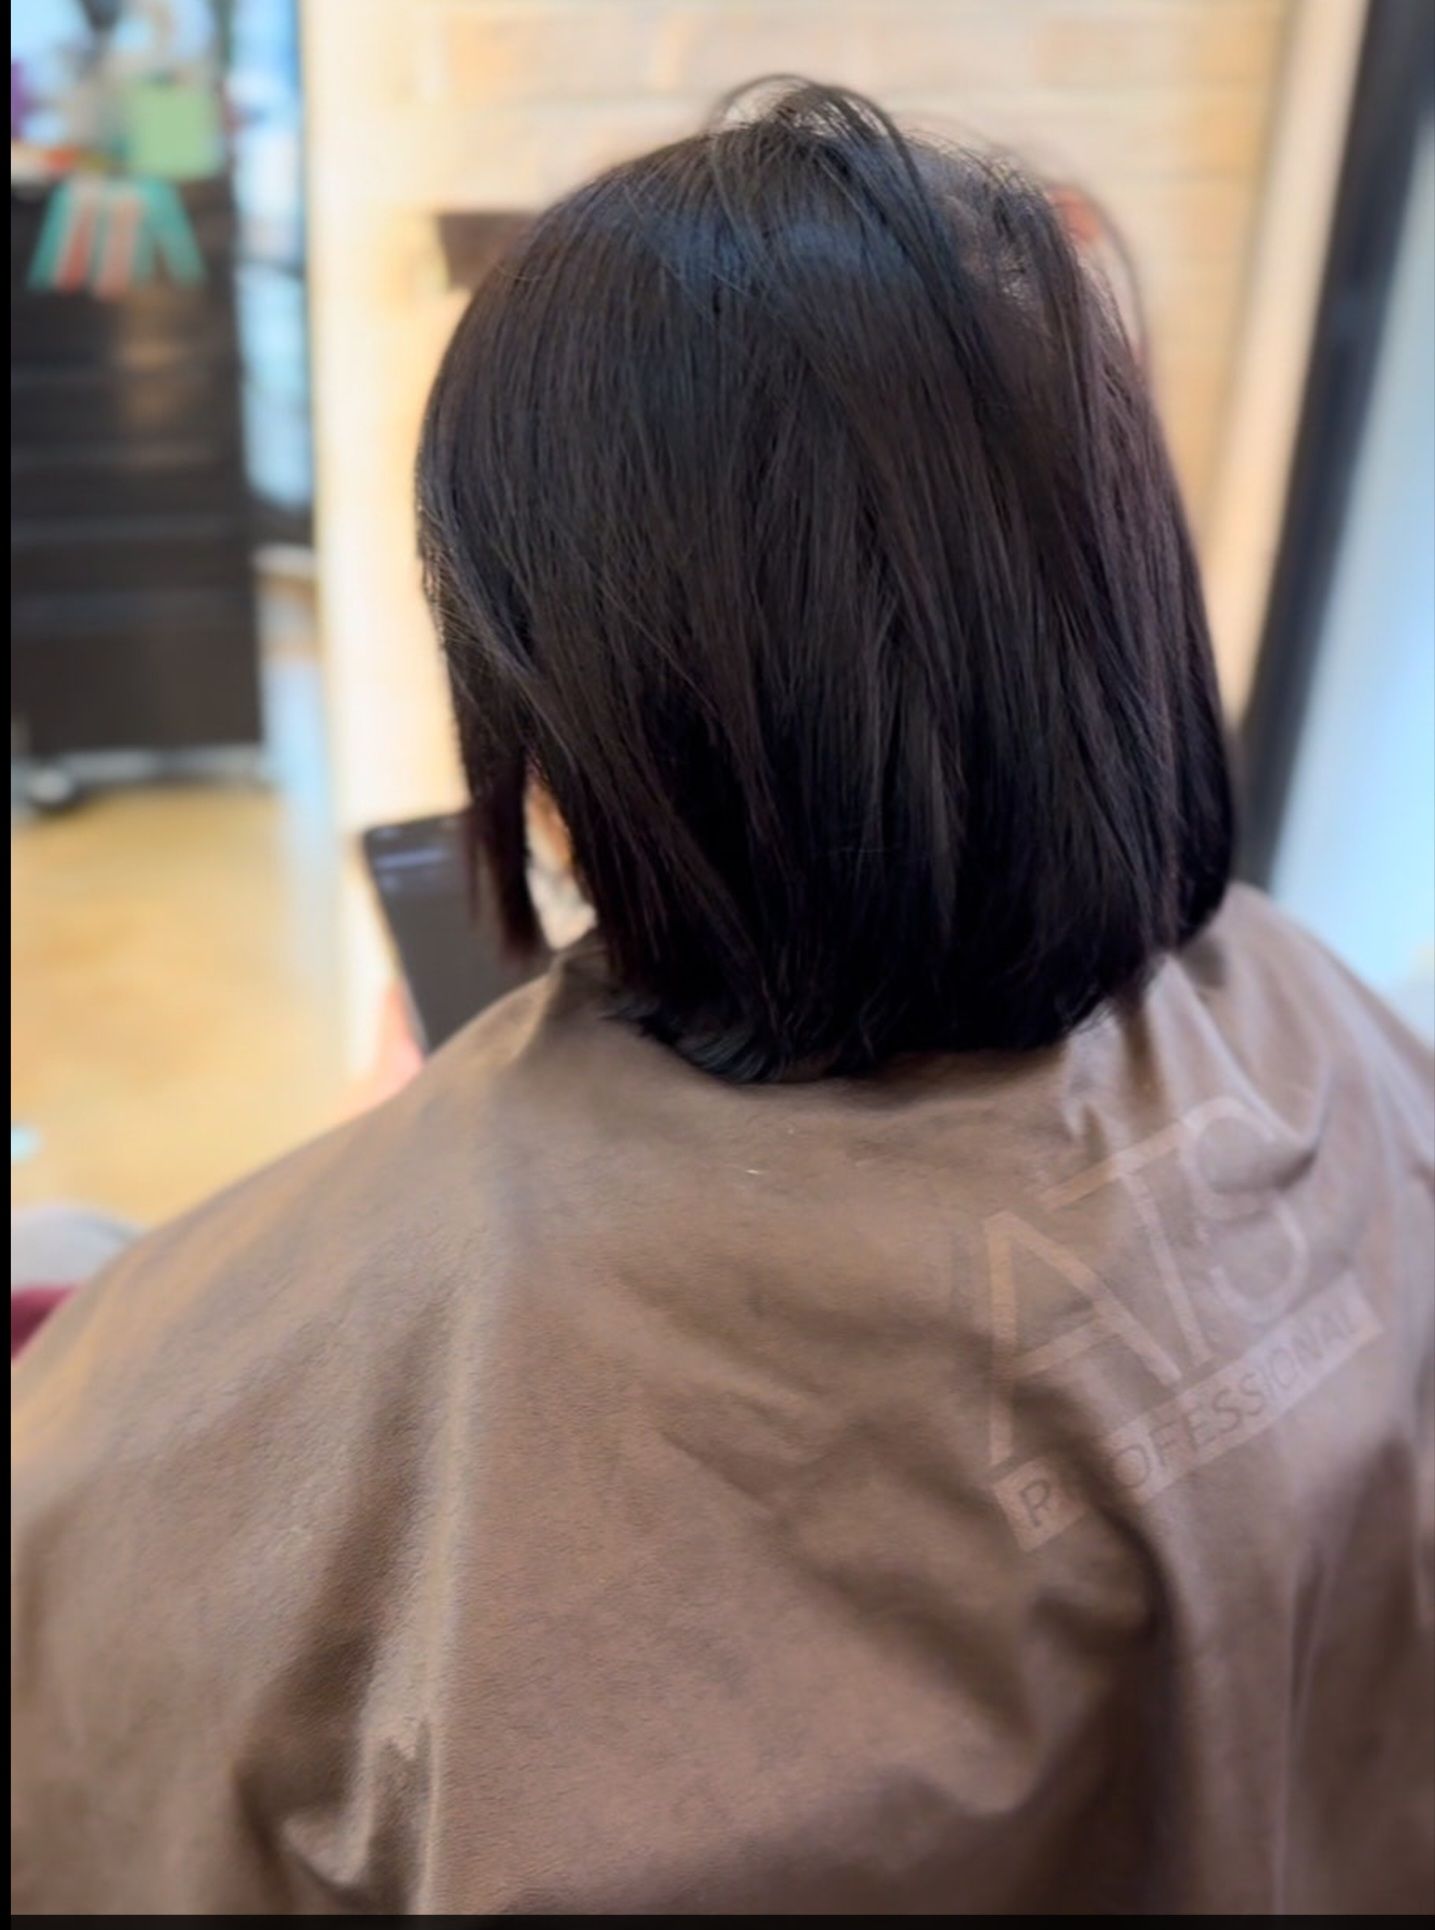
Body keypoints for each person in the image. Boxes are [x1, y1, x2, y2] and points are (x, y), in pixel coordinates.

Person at [12, 81, 1433, 1916]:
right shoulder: (1322, 1018)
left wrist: (399, 1204)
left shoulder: (234, 1384)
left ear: (552, 698)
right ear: (1116, 593)